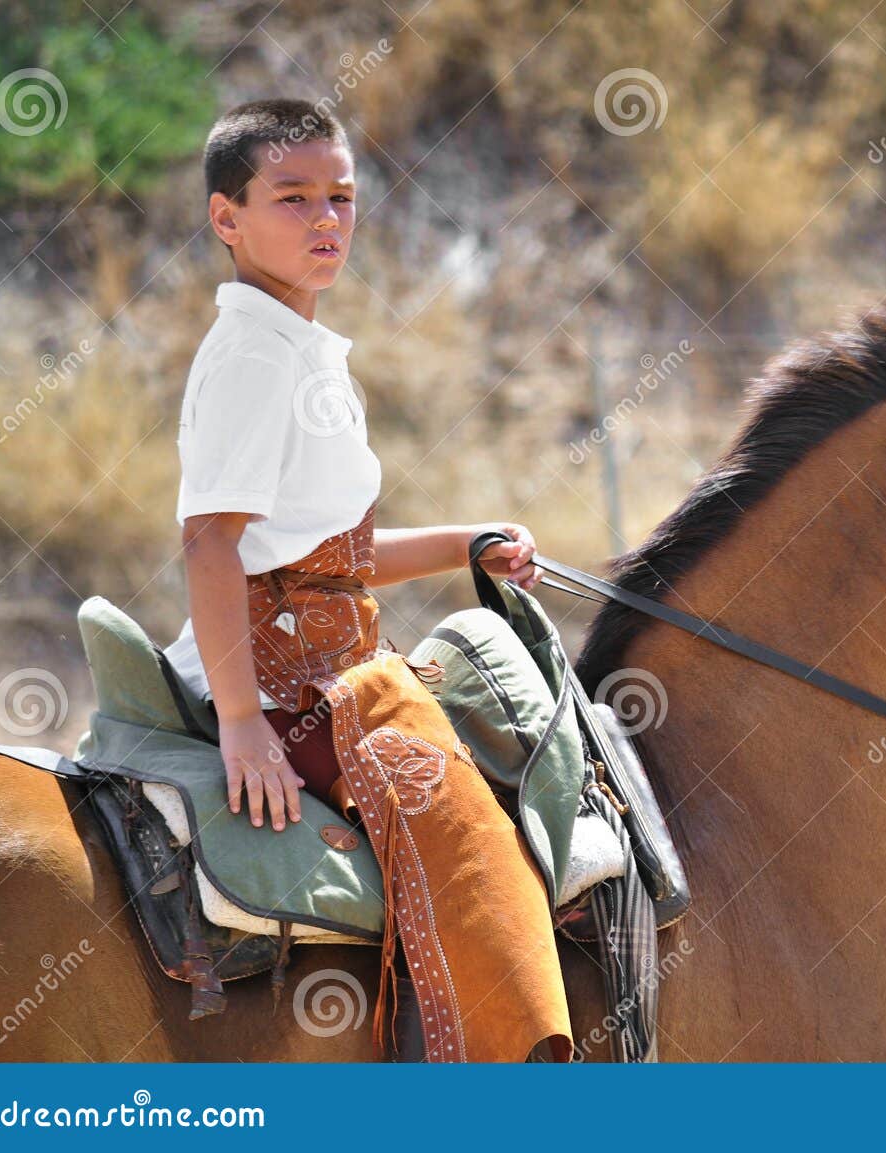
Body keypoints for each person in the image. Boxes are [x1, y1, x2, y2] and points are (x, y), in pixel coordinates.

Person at [164, 98, 571, 1062]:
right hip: (290, 688)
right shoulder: (258, 360)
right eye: (293, 198)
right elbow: (208, 547)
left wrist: (469, 539)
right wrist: (240, 722)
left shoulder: (302, 347)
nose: (326, 221)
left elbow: (331, 559)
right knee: (480, 856)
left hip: (342, 659)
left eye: (341, 197)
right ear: (227, 218)